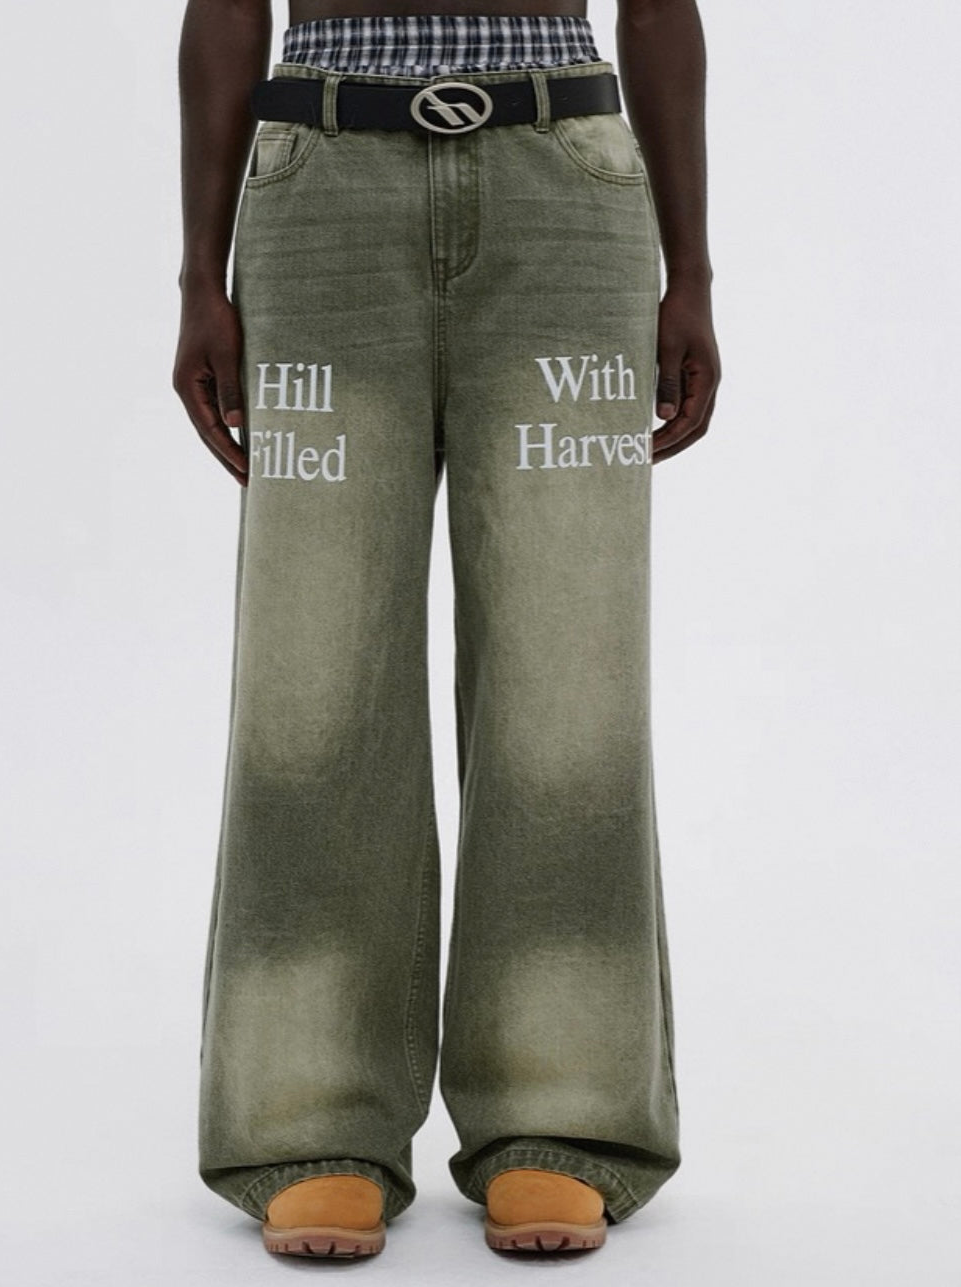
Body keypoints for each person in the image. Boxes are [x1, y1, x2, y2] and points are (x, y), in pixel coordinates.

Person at [172, 0, 719, 1261]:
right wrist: (201, 274)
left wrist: (689, 271)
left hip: (565, 190)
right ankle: (309, 1121)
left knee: (568, 673)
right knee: (314, 675)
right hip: (319, 186)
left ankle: (562, 1118)